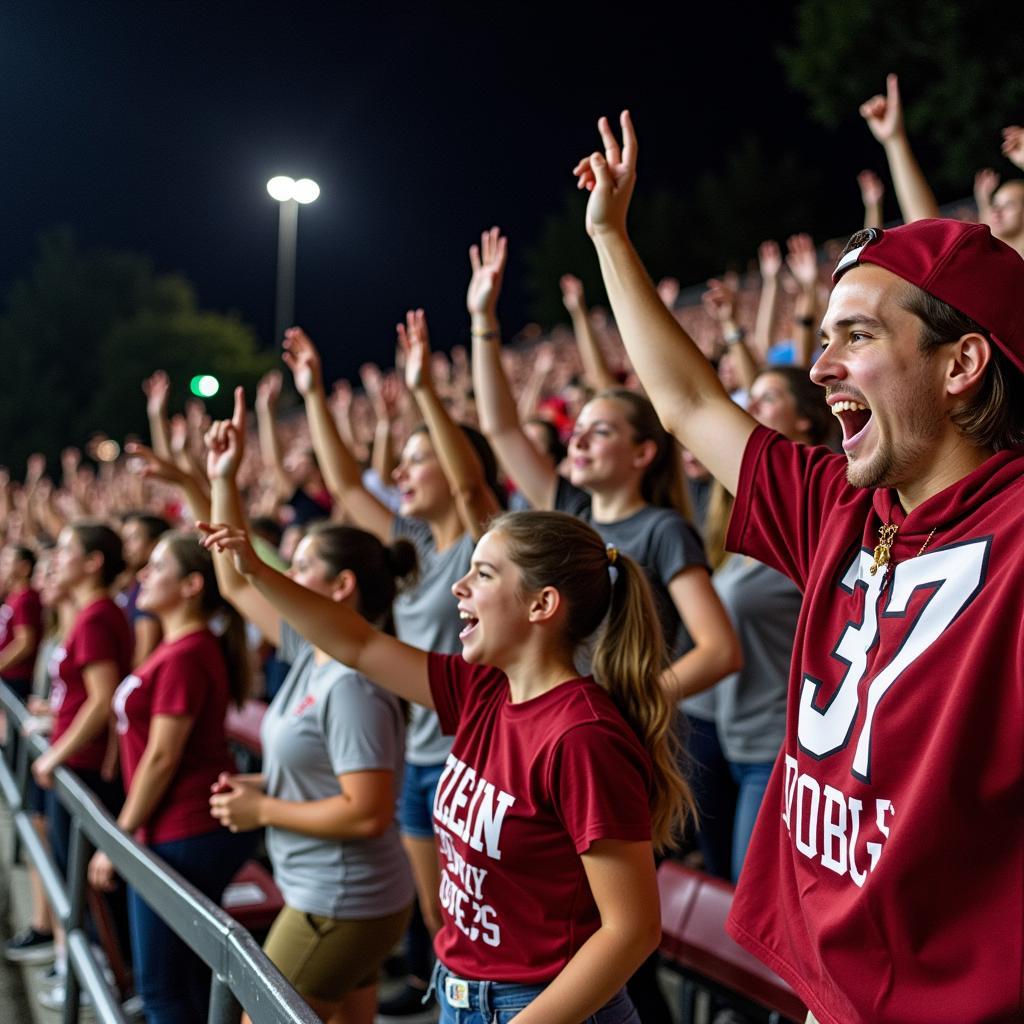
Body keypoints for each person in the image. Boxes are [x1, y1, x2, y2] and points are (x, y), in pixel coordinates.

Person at [573, 109, 1024, 1024]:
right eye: (821, 339)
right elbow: (688, 399)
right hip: (827, 991)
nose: (820, 370)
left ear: (963, 363)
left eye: (856, 336)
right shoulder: (838, 505)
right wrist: (610, 238)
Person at [202, 492, 692, 1024]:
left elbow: (632, 929)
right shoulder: (483, 689)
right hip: (463, 995)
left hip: (546, 1008)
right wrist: (256, 571)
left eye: (482, 574)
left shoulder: (583, 736)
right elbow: (358, 645)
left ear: (541, 604)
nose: (457, 587)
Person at [279, 317, 503, 1012]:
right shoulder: (408, 549)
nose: (400, 472)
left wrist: (426, 394)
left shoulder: (482, 541)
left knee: (482, 932)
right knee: (444, 934)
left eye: (418, 458)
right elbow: (346, 488)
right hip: (419, 766)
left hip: (475, 762)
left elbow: (471, 490)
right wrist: (313, 395)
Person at [202, 392, 416, 1024]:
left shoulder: (351, 682)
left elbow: (369, 813)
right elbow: (234, 582)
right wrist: (222, 480)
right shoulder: (311, 652)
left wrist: (262, 807)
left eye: (300, 567)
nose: (286, 578)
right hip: (340, 894)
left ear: (341, 587)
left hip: (340, 901)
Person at [86, 531, 252, 1024]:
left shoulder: (187, 652)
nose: (142, 575)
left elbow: (162, 757)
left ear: (191, 585)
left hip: (182, 832)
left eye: (157, 567)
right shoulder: (179, 646)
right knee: (185, 984)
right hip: (174, 829)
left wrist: (116, 839)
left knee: (163, 989)